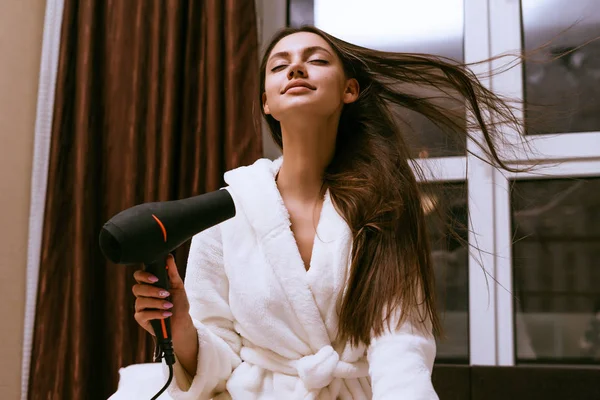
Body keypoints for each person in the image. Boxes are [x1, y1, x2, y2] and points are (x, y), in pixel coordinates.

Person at [131, 26, 521, 399]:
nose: (296, 68)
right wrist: (181, 325)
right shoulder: (225, 212)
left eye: (315, 60)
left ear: (349, 90)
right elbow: (215, 361)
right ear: (267, 100)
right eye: (279, 66)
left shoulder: (384, 206)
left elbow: (400, 343)